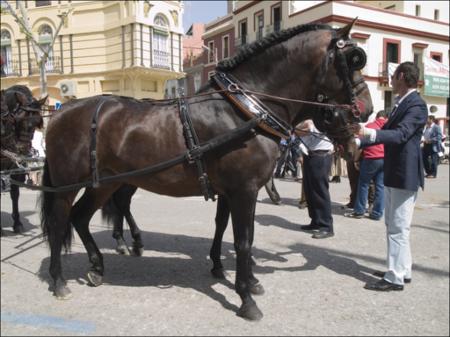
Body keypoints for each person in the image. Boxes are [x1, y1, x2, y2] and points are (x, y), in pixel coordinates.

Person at [354, 62, 427, 291]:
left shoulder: (417, 105)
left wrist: (369, 132)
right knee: (394, 225)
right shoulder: (402, 102)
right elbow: (390, 133)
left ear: (402, 76)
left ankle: (394, 277)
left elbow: (401, 134)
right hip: (395, 170)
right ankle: (402, 270)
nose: (392, 80)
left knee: (398, 227)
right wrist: (359, 141)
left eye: (393, 76)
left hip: (405, 173)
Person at [295, 119, 334, 239]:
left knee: (320, 190)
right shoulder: (307, 117)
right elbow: (297, 130)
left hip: (321, 153)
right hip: (310, 153)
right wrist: (302, 129)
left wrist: (303, 129)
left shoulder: (320, 118)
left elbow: (308, 129)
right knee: (309, 189)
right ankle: (316, 220)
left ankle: (326, 226)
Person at [345, 110, 388, 220]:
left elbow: (360, 144)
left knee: (363, 184)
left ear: (377, 117)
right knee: (380, 186)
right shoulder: (388, 127)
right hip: (384, 159)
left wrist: (356, 159)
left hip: (370, 158)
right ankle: (377, 213)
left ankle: (359, 211)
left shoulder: (370, 125)